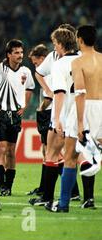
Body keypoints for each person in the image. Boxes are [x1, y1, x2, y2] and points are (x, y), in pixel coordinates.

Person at [50, 25, 101, 212]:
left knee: (70, 157)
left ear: (79, 40)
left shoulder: (78, 62)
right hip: (101, 109)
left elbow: (80, 92)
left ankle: (63, 204)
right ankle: (88, 198)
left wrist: (80, 123)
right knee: (94, 154)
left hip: (84, 108)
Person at [34, 27, 78, 209]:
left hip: (63, 114)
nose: (54, 47)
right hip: (80, 115)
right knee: (73, 159)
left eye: (54, 44)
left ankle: (47, 197)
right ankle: (72, 198)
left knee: (51, 155)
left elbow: (59, 93)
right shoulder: (82, 60)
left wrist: (57, 118)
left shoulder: (60, 63)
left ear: (60, 44)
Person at [0, 39, 35, 196]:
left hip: (15, 115)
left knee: (11, 151)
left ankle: (8, 186)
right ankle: (1, 185)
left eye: (21, 52)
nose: (20, 55)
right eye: (16, 52)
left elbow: (30, 87)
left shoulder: (25, 71)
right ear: (8, 54)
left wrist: (24, 105)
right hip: (0, 114)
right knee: (1, 148)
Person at [27, 44, 51, 196]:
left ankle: (72, 190)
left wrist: (41, 108)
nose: (36, 66)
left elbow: (50, 95)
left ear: (43, 59)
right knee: (47, 151)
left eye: (36, 63)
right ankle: (43, 187)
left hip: (49, 113)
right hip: (47, 113)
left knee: (52, 153)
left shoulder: (49, 73)